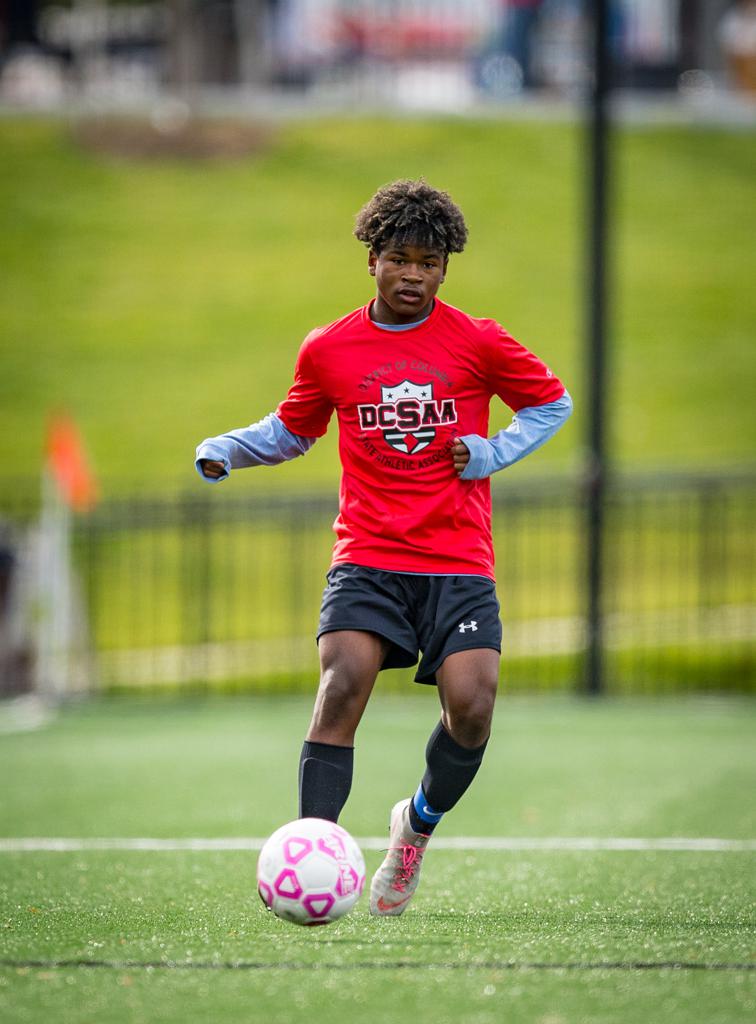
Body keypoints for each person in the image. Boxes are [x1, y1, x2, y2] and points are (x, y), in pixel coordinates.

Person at [195, 179, 572, 916]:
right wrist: (228, 449)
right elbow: (292, 431)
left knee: (474, 706)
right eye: (400, 257)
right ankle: (315, 852)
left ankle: (414, 830)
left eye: (429, 262)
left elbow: (551, 401)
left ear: (444, 270)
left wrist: (492, 453)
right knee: (343, 682)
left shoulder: (477, 340)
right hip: (368, 554)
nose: (414, 275)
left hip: (458, 560)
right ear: (371, 258)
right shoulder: (331, 349)